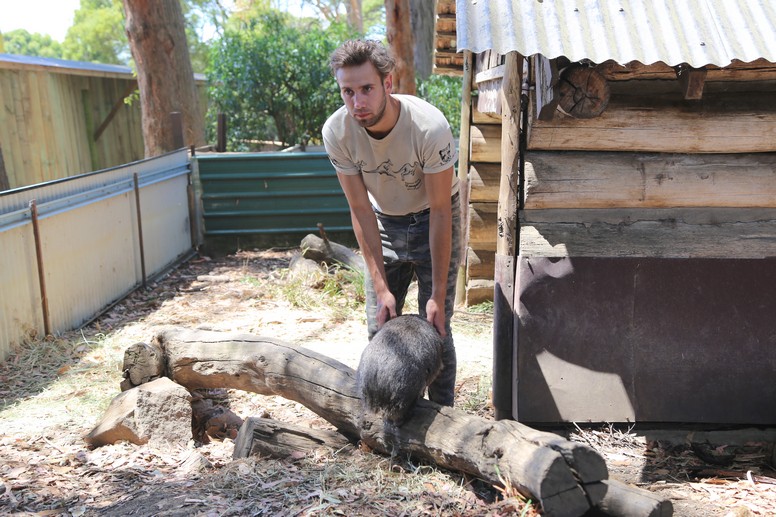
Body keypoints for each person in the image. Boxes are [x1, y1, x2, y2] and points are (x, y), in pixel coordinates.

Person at [322, 39, 461, 407]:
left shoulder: (429, 128)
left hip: (435, 215)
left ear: (388, 83)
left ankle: (444, 414)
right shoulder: (337, 132)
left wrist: (435, 297)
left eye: (366, 89)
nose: (357, 103)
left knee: (436, 328)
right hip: (383, 220)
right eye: (347, 92)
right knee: (378, 323)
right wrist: (382, 287)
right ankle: (377, 414)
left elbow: (441, 210)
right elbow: (360, 210)